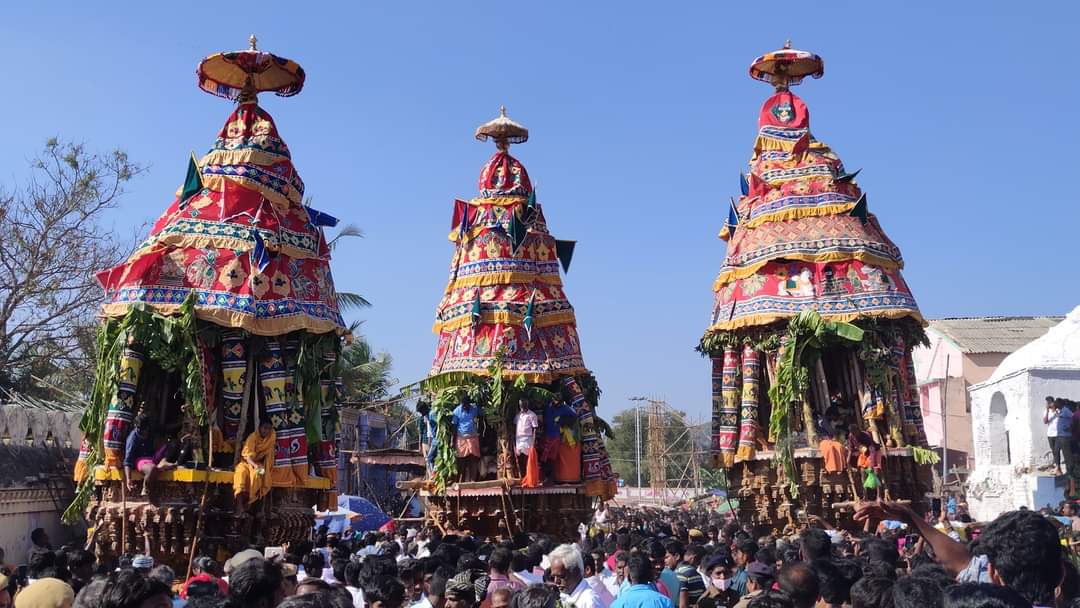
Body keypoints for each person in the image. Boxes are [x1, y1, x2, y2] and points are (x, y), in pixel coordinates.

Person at [232, 420, 276, 513]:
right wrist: (254, 465)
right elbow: (247, 456)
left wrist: (261, 467)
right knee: (241, 473)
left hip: (259, 464)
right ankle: (239, 504)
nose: (266, 431)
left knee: (258, 475)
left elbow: (270, 456)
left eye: (268, 429)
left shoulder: (271, 438)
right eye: (264, 428)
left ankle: (250, 502)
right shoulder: (252, 437)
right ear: (259, 428)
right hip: (247, 463)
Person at [124, 413, 158, 496]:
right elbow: (127, 461)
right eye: (139, 429)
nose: (142, 431)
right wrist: (128, 479)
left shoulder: (150, 432)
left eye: (144, 429)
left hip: (153, 458)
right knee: (152, 468)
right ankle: (145, 489)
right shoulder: (133, 438)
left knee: (172, 445)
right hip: (141, 461)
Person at [452, 396, 481, 482]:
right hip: (461, 437)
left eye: (466, 405)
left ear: (469, 404)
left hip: (473, 437)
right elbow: (454, 426)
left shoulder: (474, 409)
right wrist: (452, 441)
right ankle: (461, 480)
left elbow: (482, 414)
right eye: (463, 405)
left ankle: (473, 480)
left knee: (473, 458)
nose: (465, 407)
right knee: (461, 460)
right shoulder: (456, 411)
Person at [1045, 396, 1074, 476]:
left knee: (1067, 455)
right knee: (1055, 450)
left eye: (1056, 403)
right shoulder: (1061, 411)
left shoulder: (1066, 410)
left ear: (1060, 404)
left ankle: (1070, 472)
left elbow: (1073, 418)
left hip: (1065, 436)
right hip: (1059, 435)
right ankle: (1058, 467)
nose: (1055, 404)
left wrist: (1070, 427)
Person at [513, 400, 539, 478]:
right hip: (519, 439)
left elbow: (535, 429)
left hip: (527, 439)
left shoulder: (532, 415)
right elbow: (514, 426)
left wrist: (533, 442)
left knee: (527, 459)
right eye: (521, 405)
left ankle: (529, 477)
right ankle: (523, 476)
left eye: (523, 405)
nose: (522, 407)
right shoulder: (518, 415)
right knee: (520, 459)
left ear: (527, 405)